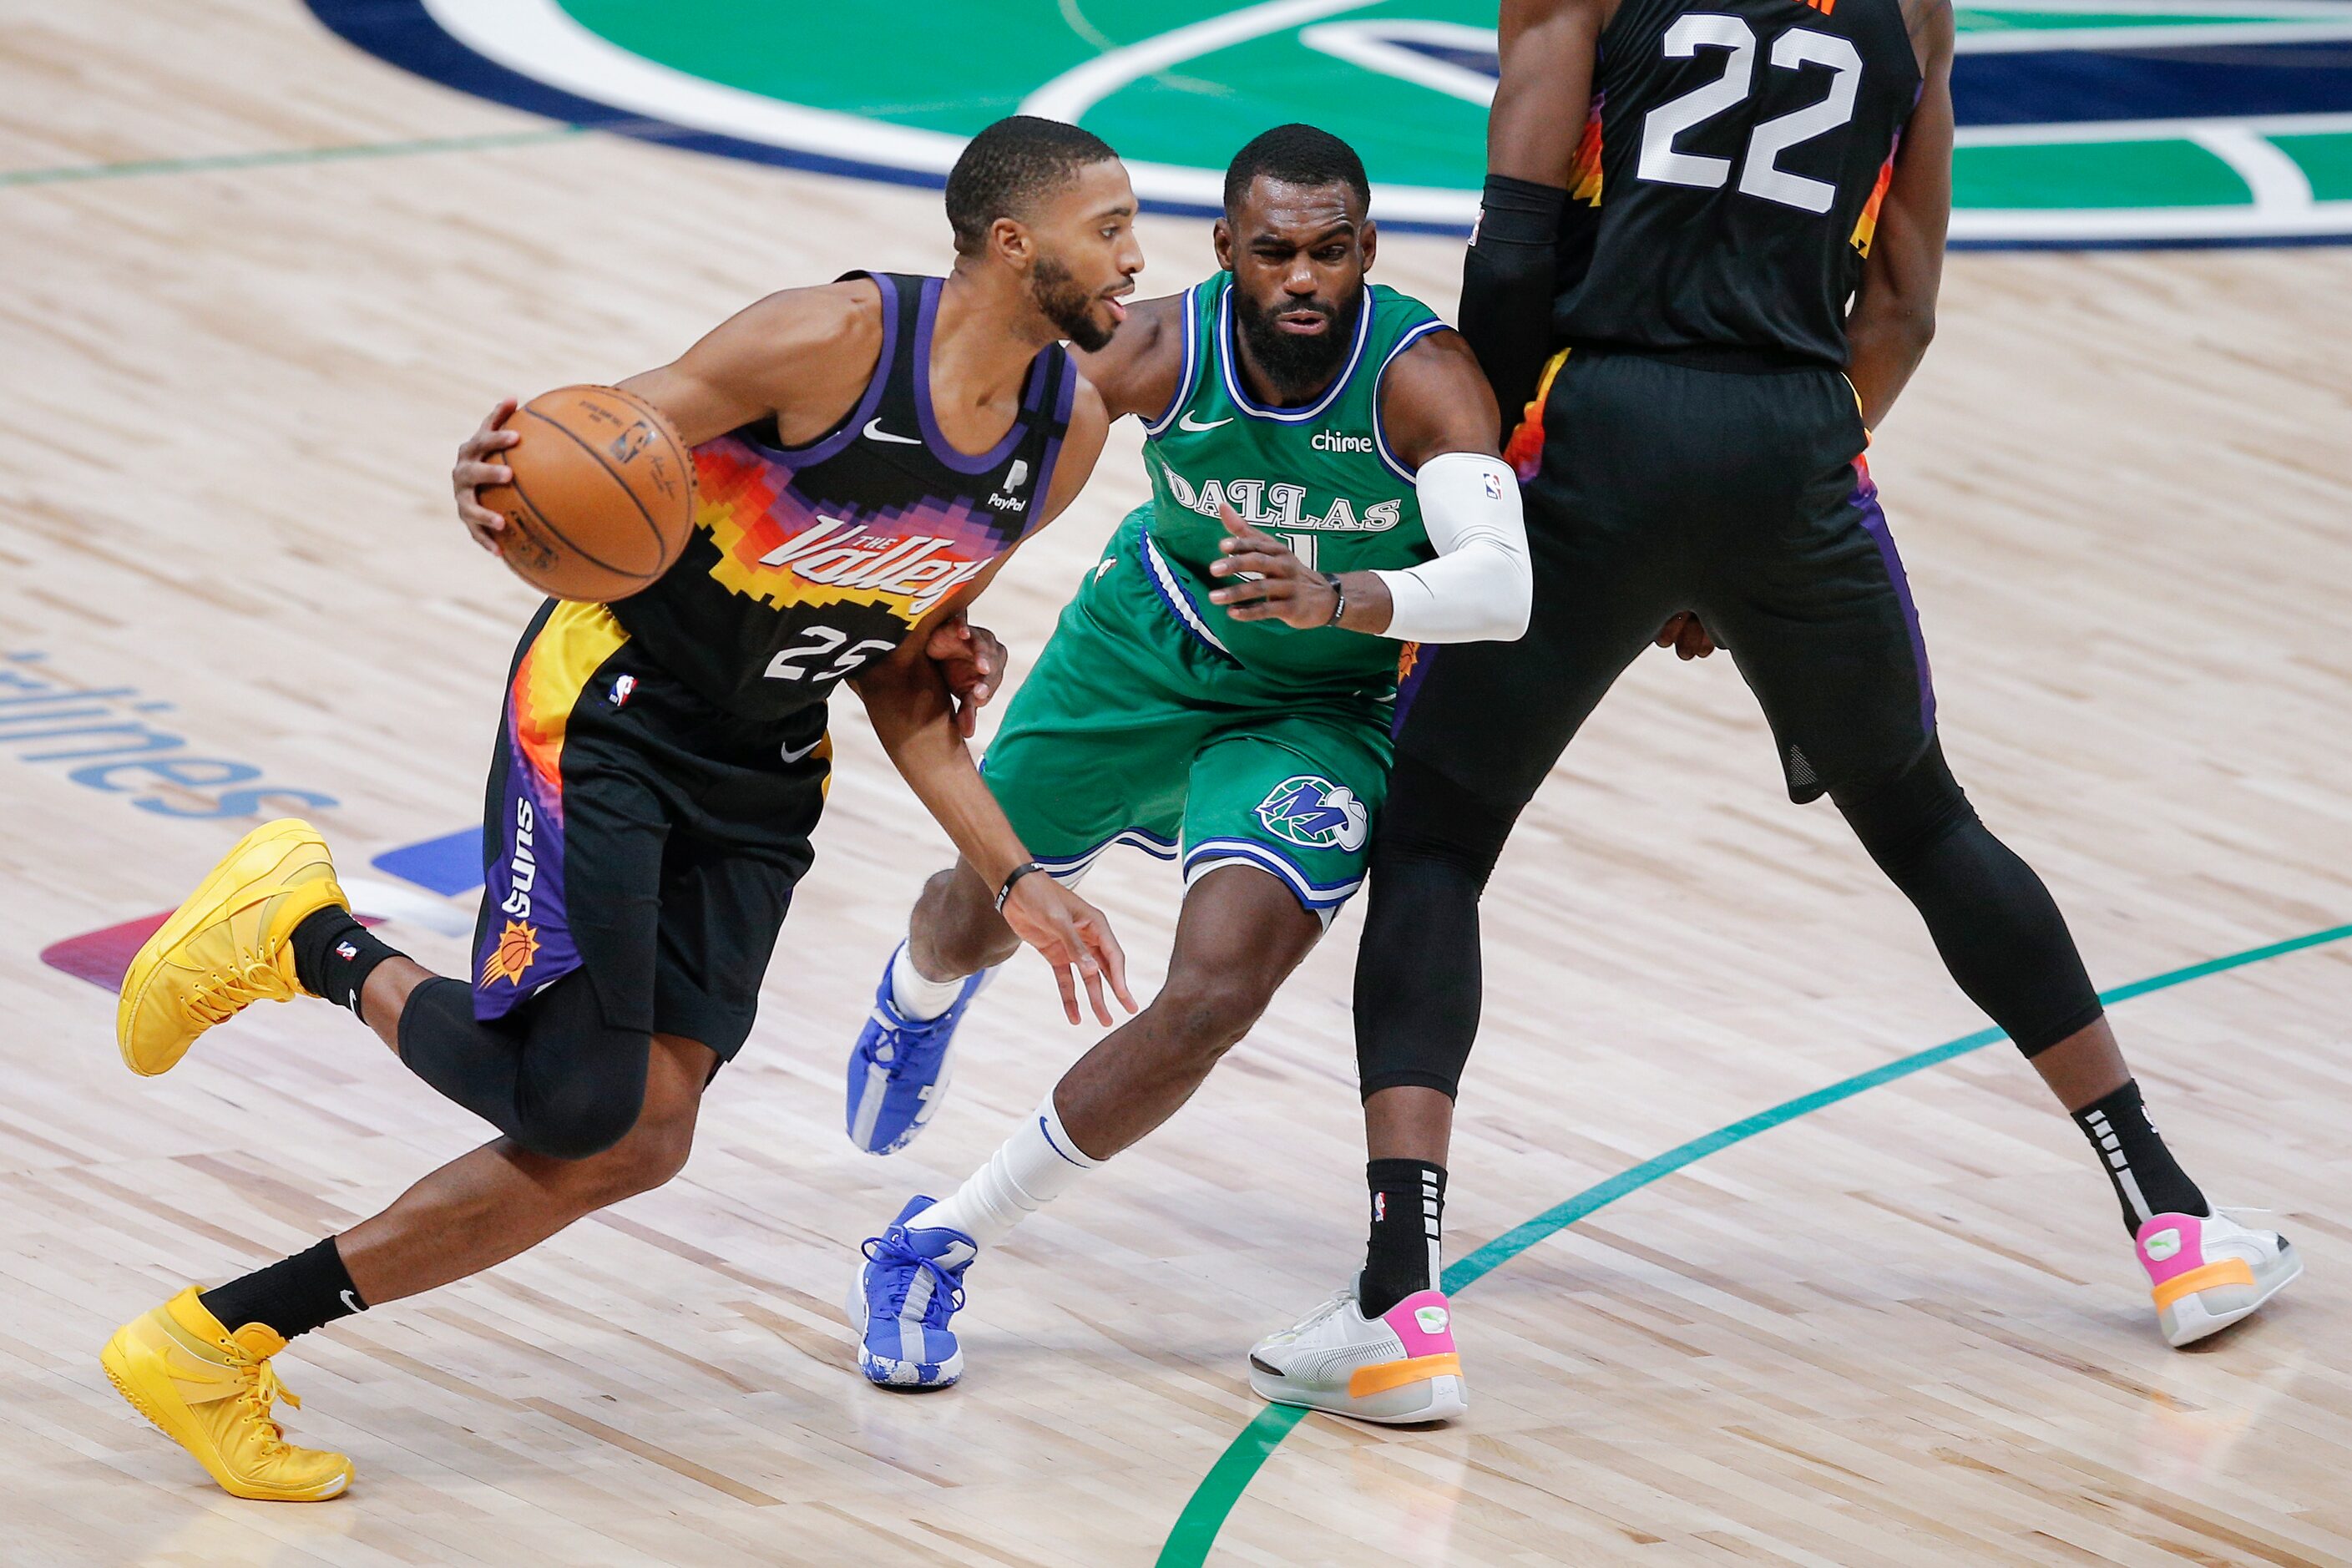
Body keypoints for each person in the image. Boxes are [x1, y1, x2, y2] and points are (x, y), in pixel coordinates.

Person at [1247, 0, 2301, 1424]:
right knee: (1926, 823)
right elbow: (1905, 309)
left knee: (1438, 837)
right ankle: (2172, 1223)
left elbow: (1509, 251)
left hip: (1597, 430)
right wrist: (1755, 507)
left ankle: (1399, 1303)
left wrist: (1508, 497)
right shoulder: (1912, 7)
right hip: (1797, 442)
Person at [100, 115, 1146, 1501]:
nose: (1138, 255)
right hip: (608, 719)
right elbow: (589, 434)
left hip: (764, 768)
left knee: (639, 1138)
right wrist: (500, 478)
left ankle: (212, 1341)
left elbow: (901, 671)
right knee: (585, 1099)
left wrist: (1014, 874)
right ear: (1014, 244)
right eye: (1111, 225)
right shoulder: (828, 343)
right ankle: (304, 935)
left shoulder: (1056, 434)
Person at [839, 125, 1530, 1414]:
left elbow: (1500, 589)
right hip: (1138, 646)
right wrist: (949, 610)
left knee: (1212, 996)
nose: (1304, 278)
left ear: (1368, 250)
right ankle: (917, 993)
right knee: (973, 908)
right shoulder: (1153, 345)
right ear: (1228, 252)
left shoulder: (1423, 374)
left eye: (1332, 251)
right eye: (1275, 252)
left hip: (1316, 702)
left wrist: (1337, 594)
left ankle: (934, 1236)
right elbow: (1012, 484)